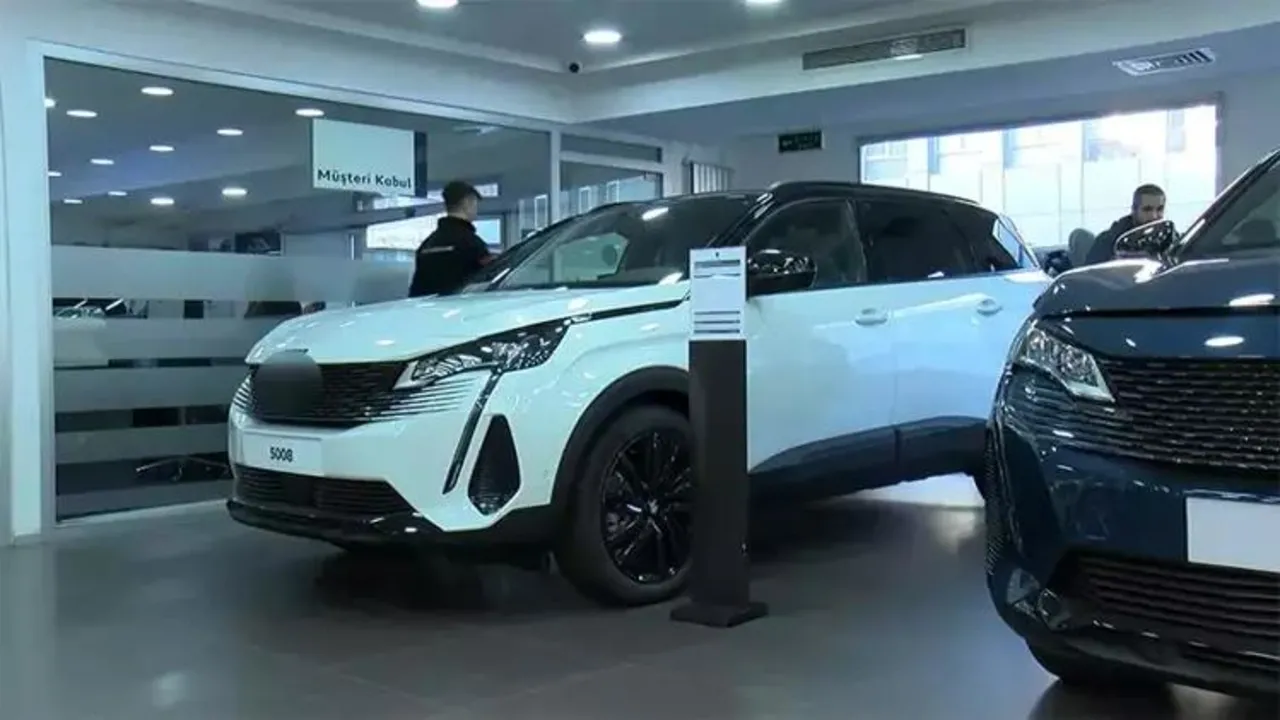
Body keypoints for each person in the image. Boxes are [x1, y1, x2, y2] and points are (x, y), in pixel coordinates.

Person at [407, 180, 494, 297]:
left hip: (430, 307)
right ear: (467, 202)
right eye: (475, 204)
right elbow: (489, 285)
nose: (476, 210)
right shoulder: (474, 244)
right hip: (464, 306)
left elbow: (416, 291)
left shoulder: (427, 245)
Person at [1084, 183, 1166, 266]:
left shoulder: (1168, 239)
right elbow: (1090, 273)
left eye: (1160, 209)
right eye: (1147, 209)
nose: (1154, 216)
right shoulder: (1107, 241)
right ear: (1134, 210)